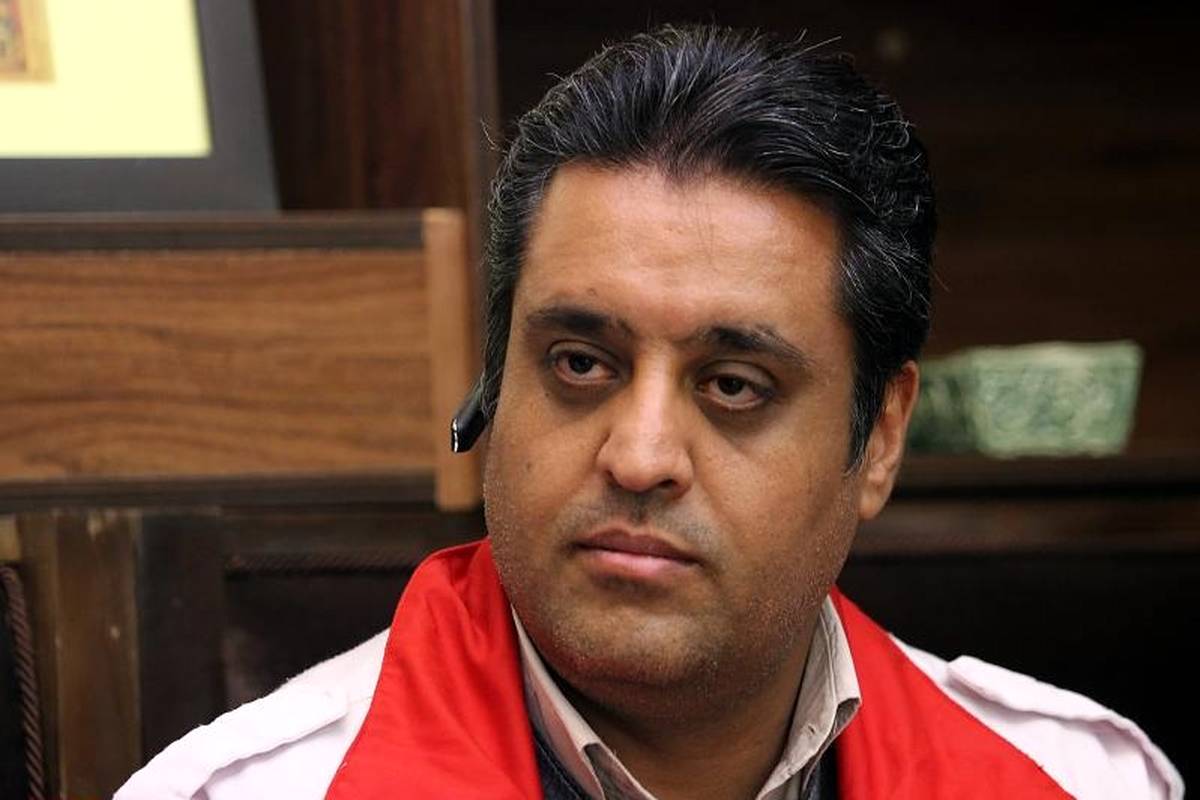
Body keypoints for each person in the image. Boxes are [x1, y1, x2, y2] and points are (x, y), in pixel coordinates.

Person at [117, 24, 1182, 800]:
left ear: (881, 438)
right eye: (581, 363)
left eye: (734, 384)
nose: (638, 455)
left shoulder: (1084, 781)